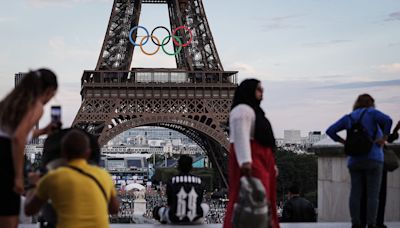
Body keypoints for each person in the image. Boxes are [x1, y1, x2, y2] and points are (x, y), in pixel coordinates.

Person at [24, 129, 119, 228]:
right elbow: (114, 209)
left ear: (64, 153)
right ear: (88, 153)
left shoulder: (52, 177)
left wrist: (33, 185)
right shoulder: (104, 175)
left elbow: (29, 210)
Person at [0, 69, 58, 228]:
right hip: (6, 161)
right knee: (9, 220)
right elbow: (18, 139)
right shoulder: (37, 106)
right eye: (53, 94)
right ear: (48, 90)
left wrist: (43, 131)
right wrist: (18, 176)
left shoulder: (10, 102)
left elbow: (12, 132)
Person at [326, 94, 392, 228]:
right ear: (371, 103)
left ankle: (356, 223)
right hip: (374, 157)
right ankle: (371, 223)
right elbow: (388, 120)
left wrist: (344, 142)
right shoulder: (372, 113)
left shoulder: (349, 117)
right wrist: (384, 138)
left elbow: (330, 131)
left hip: (354, 160)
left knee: (355, 193)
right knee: (373, 194)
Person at [223, 79, 280, 228]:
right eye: (258, 89)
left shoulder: (252, 110)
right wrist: (245, 161)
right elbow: (241, 136)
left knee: (265, 196)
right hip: (252, 158)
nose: (262, 92)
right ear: (249, 90)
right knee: (257, 195)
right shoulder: (243, 110)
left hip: (259, 157)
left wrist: (271, 165)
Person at [361, 120, 400, 228]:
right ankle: (378, 222)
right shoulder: (379, 125)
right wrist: (396, 129)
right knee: (380, 195)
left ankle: (365, 221)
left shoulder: (364, 126)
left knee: (365, 194)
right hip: (378, 162)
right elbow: (390, 138)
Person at [153, 155, 209, 224]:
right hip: (194, 217)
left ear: (178, 166)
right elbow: (199, 201)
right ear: (191, 167)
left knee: (158, 210)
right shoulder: (199, 181)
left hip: (174, 218)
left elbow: (170, 203)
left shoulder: (172, 181)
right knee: (206, 206)